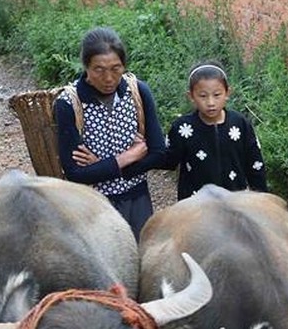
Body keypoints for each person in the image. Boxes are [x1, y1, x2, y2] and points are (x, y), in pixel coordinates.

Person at [54, 26, 167, 239]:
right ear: (86, 66)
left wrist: (102, 166)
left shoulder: (138, 92)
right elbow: (75, 173)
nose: (108, 78)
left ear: (124, 66)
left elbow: (159, 153)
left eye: (116, 68)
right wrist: (128, 157)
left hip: (138, 201)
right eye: (99, 69)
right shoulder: (69, 104)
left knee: (142, 261)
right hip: (94, 206)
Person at [163, 63, 268, 200]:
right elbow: (168, 160)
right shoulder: (182, 128)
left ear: (227, 93)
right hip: (196, 204)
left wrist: (261, 199)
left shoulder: (240, 124)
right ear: (191, 96)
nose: (211, 102)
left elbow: (255, 164)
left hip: (235, 201)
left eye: (217, 95)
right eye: (203, 96)